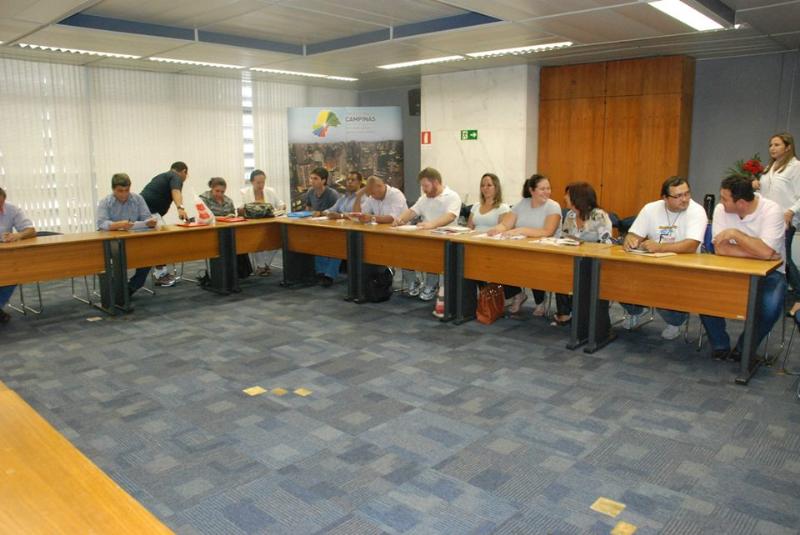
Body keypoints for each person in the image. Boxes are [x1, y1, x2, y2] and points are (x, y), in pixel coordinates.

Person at [700, 175, 786, 361]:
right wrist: (761, 253)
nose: (721, 202)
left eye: (725, 198)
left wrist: (736, 235)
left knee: (770, 308)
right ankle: (720, 345)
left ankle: (743, 348)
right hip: (729, 270)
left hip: (770, 274)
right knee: (703, 295)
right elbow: (721, 249)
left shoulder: (771, 210)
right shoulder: (721, 209)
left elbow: (766, 251)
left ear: (740, 203)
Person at [621, 176, 708, 339]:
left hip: (684, 267)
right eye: (678, 196)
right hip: (653, 263)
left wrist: (660, 247)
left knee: (662, 285)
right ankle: (636, 309)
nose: (685, 199)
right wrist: (630, 240)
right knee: (618, 276)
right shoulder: (650, 209)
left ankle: (676, 321)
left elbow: (691, 245)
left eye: (687, 194)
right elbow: (633, 234)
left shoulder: (697, 211)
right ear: (665, 198)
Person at [488, 174, 561, 317]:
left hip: (545, 251)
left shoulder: (553, 206)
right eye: (542, 189)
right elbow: (506, 224)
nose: (546, 192)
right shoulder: (522, 204)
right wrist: (496, 229)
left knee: (532, 264)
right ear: (532, 190)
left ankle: (540, 301)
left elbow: (547, 231)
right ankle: (517, 294)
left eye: (548, 188)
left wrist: (521, 230)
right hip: (521, 248)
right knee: (500, 261)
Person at [394, 167, 462, 302]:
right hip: (424, 236)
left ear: (436, 182)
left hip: (445, 239)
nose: (423, 189)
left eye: (426, 186)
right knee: (403, 250)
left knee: (431, 255)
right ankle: (413, 281)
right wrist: (400, 219)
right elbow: (412, 211)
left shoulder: (452, 196)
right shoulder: (424, 198)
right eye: (422, 186)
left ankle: (431, 285)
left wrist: (432, 224)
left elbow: (450, 216)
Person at [553, 182, 614, 326]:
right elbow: (564, 238)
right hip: (574, 259)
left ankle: (582, 316)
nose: (564, 197)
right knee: (559, 271)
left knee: (576, 275)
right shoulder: (570, 215)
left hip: (594, 262)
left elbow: (606, 243)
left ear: (577, 198)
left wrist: (582, 245)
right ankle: (565, 313)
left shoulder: (598, 215)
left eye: (567, 195)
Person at [753, 133, 800, 316]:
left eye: (777, 144)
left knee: (784, 259)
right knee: (772, 257)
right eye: (771, 145)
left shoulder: (796, 167)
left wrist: (791, 211)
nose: (772, 148)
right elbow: (765, 196)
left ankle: (798, 295)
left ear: (788, 147)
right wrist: (755, 186)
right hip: (767, 220)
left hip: (785, 220)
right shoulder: (769, 168)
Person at [467, 173, 524, 313]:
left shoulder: (502, 208)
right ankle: (485, 295)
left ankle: (516, 294)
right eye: (482, 185)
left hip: (492, 246)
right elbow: (469, 228)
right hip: (475, 244)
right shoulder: (476, 206)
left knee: (495, 265)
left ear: (496, 187)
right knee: (467, 263)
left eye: (489, 185)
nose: (485, 188)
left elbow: (503, 230)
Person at [96, 173, 156, 297]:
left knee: (149, 255)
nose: (124, 194)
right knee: (116, 258)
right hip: (112, 242)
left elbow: (146, 217)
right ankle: (117, 290)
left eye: (127, 190)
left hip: (133, 240)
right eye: (120, 191)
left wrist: (150, 222)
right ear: (113, 189)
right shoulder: (105, 202)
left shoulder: (138, 199)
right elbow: (101, 223)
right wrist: (118, 225)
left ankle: (131, 287)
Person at [140, 161, 189, 287]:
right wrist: (180, 208)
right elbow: (176, 191)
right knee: (161, 242)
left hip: (145, 211)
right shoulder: (176, 176)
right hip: (149, 212)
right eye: (186, 175)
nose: (185, 177)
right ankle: (160, 275)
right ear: (184, 171)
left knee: (157, 242)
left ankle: (159, 273)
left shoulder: (162, 176)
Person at [0, 186, 36, 324]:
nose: (0, 207)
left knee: (14, 273)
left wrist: (18, 235)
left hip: (5, 254)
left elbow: (31, 230)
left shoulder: (12, 209)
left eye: (1, 203)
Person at [240, 169, 285, 276]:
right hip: (253, 225)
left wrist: (282, 206)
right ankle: (262, 266)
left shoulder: (270, 191)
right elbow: (241, 208)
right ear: (252, 182)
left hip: (270, 224)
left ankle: (264, 265)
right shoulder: (244, 193)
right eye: (258, 183)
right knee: (256, 241)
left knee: (277, 241)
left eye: (263, 182)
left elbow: (280, 203)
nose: (261, 185)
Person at [304, 167, 339, 286]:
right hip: (316, 226)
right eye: (311, 178)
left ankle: (329, 275)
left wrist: (320, 213)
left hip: (333, 228)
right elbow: (308, 209)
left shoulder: (332, 194)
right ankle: (320, 272)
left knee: (336, 248)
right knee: (316, 245)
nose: (312, 181)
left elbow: (336, 212)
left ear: (323, 180)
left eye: (315, 179)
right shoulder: (310, 192)